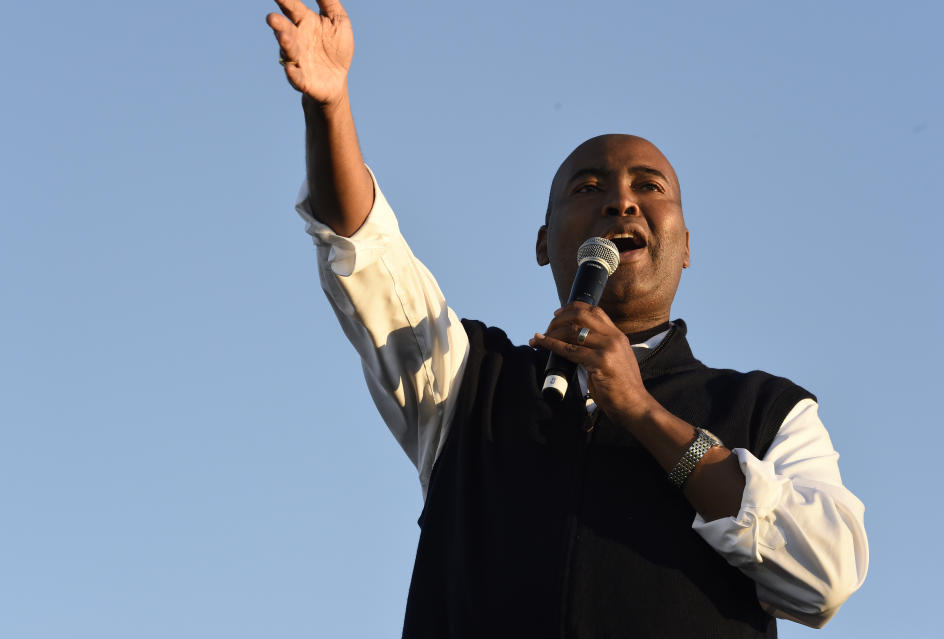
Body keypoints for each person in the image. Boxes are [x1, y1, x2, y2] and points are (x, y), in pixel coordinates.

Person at [266, 1, 869, 637]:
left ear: (686, 245)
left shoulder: (767, 411)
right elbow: (366, 251)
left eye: (650, 186)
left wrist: (642, 412)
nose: (621, 201)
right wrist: (328, 107)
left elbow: (823, 578)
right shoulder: (468, 382)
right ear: (543, 241)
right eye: (588, 189)